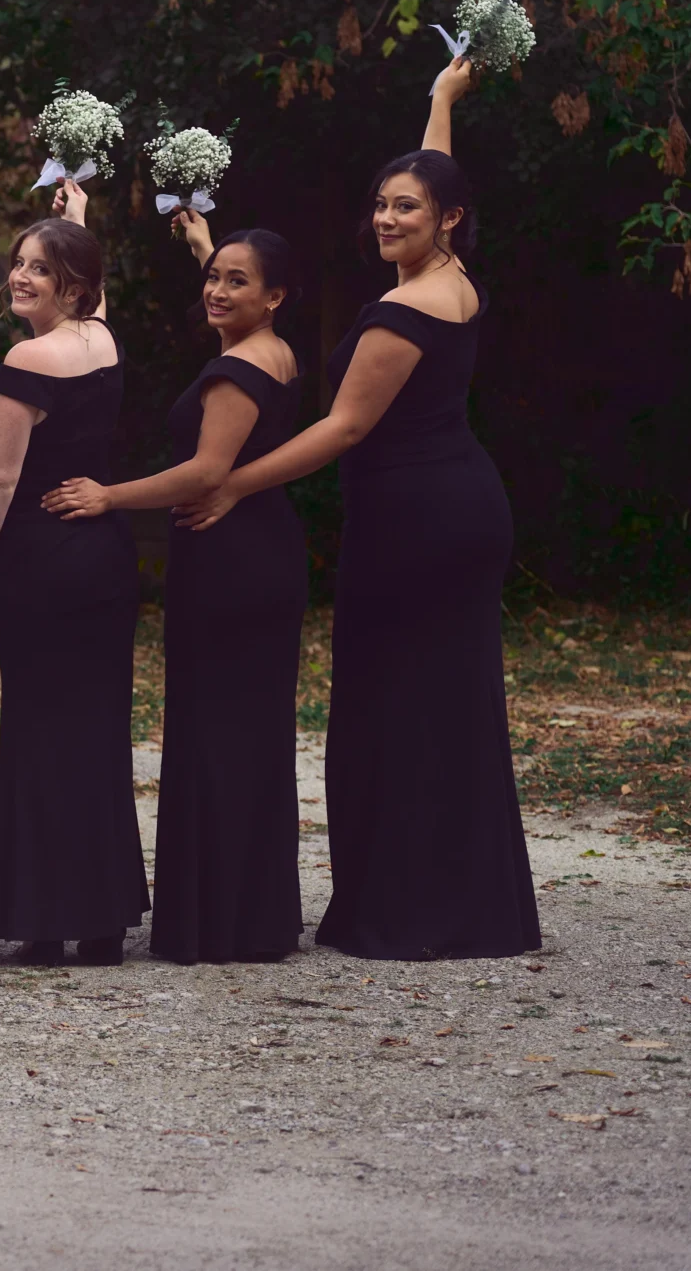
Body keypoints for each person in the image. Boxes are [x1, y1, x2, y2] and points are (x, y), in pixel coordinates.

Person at [176, 58, 540, 960]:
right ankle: (468, 899)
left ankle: (414, 910)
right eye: (381, 203)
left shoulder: (400, 312)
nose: (386, 217)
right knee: (447, 702)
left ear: (447, 218)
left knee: (397, 708)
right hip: (458, 504)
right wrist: (440, 99)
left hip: (417, 524)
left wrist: (233, 482)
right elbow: (435, 175)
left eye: (405, 208)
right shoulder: (456, 276)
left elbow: (341, 430)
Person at [44, 212, 307, 964]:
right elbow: (236, 310)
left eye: (237, 281)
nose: (217, 290)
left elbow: (204, 472)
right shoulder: (276, 353)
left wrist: (107, 495)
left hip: (229, 559)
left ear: (276, 295)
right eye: (212, 276)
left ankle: (221, 919)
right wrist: (206, 242)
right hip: (264, 549)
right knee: (248, 729)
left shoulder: (235, 371)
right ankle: (249, 910)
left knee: (218, 730)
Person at [0, 186, 147, 966]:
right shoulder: (104, 342)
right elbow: (96, 297)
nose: (20, 277)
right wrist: (75, 224)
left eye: (39, 269)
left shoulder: (26, 359)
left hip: (40, 554)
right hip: (105, 554)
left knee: (41, 730)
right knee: (98, 729)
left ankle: (43, 921)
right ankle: (103, 921)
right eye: (17, 264)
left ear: (71, 284)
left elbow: (2, 479)